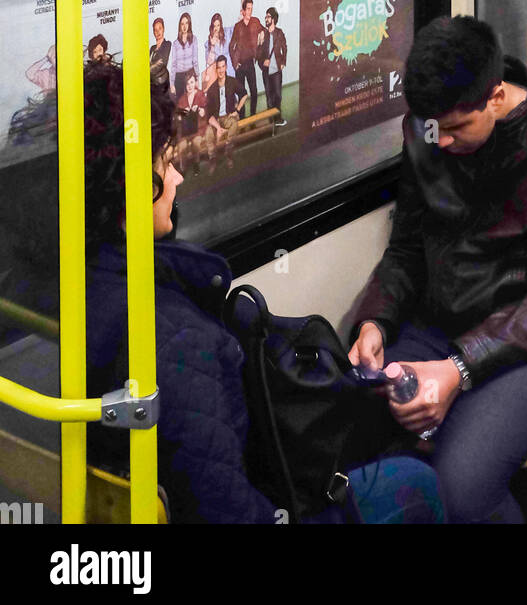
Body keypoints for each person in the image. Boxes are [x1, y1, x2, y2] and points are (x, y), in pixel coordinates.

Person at [83, 59, 443, 524]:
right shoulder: (173, 340)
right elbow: (227, 508)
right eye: (166, 164)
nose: (176, 179)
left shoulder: (63, 292)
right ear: (127, 191)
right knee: (418, 484)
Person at [348, 15, 527, 524]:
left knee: (461, 490)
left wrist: (459, 370)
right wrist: (374, 322)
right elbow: (407, 248)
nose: (441, 143)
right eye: (434, 129)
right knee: (340, 428)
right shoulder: (427, 127)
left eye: (455, 130)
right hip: (442, 324)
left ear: (495, 96)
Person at [229, 0, 263, 118]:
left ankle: (253, 115)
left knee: (254, 91)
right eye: (248, 9)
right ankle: (242, 118)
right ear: (243, 11)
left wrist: (262, 34)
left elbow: (263, 30)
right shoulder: (237, 26)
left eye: (251, 9)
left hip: (250, 63)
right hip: (240, 65)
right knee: (241, 94)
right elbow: (231, 45)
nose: (250, 11)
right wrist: (234, 63)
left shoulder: (255, 21)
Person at [174, 68, 212, 174]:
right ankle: (183, 168)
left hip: (198, 129)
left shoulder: (200, 95)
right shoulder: (182, 99)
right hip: (186, 132)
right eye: (187, 84)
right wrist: (182, 114)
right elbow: (177, 117)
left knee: (196, 143)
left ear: (195, 82)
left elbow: (205, 112)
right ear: (185, 85)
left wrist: (201, 110)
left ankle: (196, 162)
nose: (190, 86)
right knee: (182, 147)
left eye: (191, 82)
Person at [205, 55, 248, 143]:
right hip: (217, 120)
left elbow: (244, 94)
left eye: (223, 67)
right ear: (216, 69)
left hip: (229, 116)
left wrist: (237, 110)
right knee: (209, 133)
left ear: (226, 67)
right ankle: (213, 155)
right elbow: (209, 114)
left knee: (234, 124)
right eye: (218, 68)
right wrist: (218, 127)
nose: (221, 70)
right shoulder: (211, 89)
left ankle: (228, 148)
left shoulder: (232, 82)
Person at [257, 7, 287, 126]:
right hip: (266, 72)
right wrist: (262, 63)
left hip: (277, 71)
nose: (266, 18)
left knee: (278, 96)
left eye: (268, 16)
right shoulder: (263, 34)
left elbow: (285, 47)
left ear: (273, 19)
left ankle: (278, 118)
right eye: (266, 16)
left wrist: (283, 62)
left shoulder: (279, 33)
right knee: (269, 97)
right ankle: (272, 121)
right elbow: (258, 53)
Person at [169, 13, 199, 98]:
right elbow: (173, 64)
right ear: (180, 26)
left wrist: (197, 79)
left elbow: (195, 60)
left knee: (192, 104)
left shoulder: (194, 39)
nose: (184, 26)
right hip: (179, 78)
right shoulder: (175, 44)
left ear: (189, 24)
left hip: (190, 75)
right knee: (181, 105)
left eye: (186, 23)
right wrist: (172, 83)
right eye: (182, 24)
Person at [203, 12, 233, 92]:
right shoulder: (208, 43)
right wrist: (212, 46)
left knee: (232, 93)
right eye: (214, 26)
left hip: (229, 68)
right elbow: (209, 62)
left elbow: (238, 28)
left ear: (221, 25)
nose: (216, 28)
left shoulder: (227, 33)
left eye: (218, 25)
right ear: (211, 27)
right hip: (218, 71)